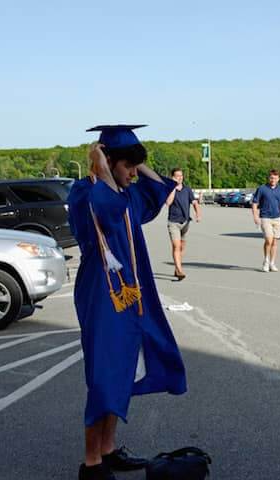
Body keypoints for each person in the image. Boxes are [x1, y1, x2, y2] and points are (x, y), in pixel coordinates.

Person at [68, 125, 187, 480]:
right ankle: (92, 464)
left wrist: (136, 159)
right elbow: (106, 210)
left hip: (133, 297)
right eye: (128, 166)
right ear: (106, 161)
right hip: (102, 297)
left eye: (135, 167)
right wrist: (102, 165)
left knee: (121, 373)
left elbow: (160, 189)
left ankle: (108, 450)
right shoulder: (85, 192)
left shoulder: (128, 192)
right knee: (104, 376)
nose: (134, 175)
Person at [251, 169, 280, 272]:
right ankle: (265, 261)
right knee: (268, 240)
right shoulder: (262, 189)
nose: (273, 180)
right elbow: (255, 203)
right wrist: (255, 217)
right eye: (271, 177)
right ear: (268, 178)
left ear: (278, 179)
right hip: (265, 218)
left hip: (277, 218)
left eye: (275, 178)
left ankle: (272, 263)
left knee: (274, 242)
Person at [165, 167, 201, 280]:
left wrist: (198, 214)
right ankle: (180, 270)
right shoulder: (170, 189)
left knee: (181, 247)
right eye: (177, 176)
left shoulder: (187, 189)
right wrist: (173, 188)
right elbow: (168, 202)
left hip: (185, 222)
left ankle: (176, 268)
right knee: (176, 246)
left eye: (181, 175)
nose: (180, 178)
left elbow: (194, 202)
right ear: (173, 177)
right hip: (173, 222)